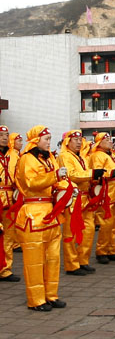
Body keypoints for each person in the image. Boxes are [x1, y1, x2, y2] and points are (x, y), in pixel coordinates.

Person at [15, 126, 68, 311]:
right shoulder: (26, 159)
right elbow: (31, 183)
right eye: (46, 138)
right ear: (35, 140)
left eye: (50, 138)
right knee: (34, 262)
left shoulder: (49, 157)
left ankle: (51, 295)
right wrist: (55, 176)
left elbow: (59, 180)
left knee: (53, 259)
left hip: (50, 213)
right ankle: (36, 299)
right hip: (33, 213)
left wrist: (68, 189)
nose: (48, 141)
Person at [57, 130, 103, 276]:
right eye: (75, 139)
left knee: (88, 231)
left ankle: (83, 260)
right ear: (67, 142)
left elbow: (86, 174)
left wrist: (97, 178)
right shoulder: (64, 156)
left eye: (80, 139)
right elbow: (71, 174)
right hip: (73, 198)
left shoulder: (81, 157)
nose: (78, 142)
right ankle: (71, 265)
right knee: (71, 232)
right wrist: (92, 174)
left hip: (85, 198)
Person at [87, 132, 115, 264]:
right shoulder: (98, 155)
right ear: (100, 142)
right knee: (105, 224)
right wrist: (114, 172)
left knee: (113, 225)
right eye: (108, 139)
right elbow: (97, 173)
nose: (111, 141)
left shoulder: (110, 155)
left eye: (111, 139)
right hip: (106, 194)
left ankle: (111, 250)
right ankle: (101, 251)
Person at [0, 126, 21, 282]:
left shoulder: (14, 155)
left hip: (10, 198)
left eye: (6, 135)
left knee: (8, 235)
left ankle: (5, 269)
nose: (4, 137)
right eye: (1, 135)